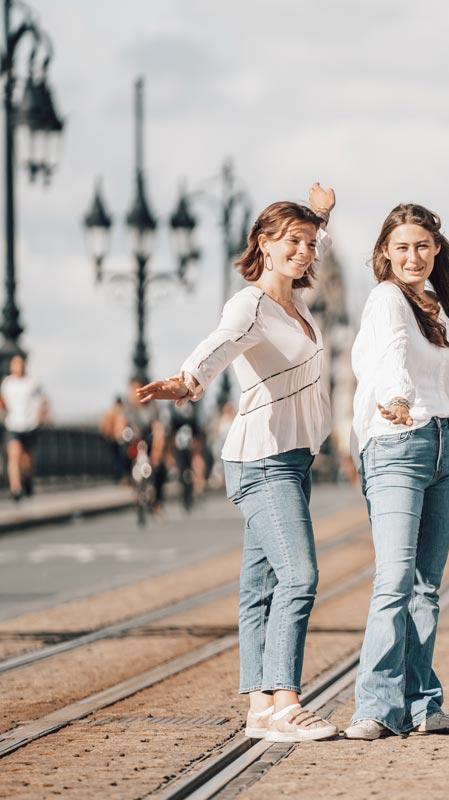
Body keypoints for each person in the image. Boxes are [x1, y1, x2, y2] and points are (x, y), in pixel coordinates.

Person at [136, 184, 339, 743]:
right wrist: (188, 379)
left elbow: (309, 241)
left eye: (311, 244)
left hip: (293, 459)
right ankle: (286, 701)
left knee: (261, 586)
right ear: (264, 245)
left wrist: (319, 215)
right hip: (263, 460)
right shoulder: (250, 303)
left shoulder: (296, 306)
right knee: (300, 576)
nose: (304, 252)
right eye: (292, 242)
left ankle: (258, 706)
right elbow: (220, 343)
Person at [342, 202, 449, 741]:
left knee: (426, 587)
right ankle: (374, 706)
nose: (413, 256)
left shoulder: (437, 306)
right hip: (397, 441)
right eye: (401, 247)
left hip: (443, 445)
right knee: (394, 578)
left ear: (436, 249)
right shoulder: (386, 299)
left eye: (421, 246)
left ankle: (421, 704)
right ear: (384, 254)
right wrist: (397, 398)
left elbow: (448, 388)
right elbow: (390, 354)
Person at [0, 354, 49, 500]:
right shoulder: (7, 383)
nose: (18, 367)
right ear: (11, 367)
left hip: (29, 425)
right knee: (14, 455)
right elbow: (2, 401)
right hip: (13, 424)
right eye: (15, 364)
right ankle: (16, 488)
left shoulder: (32, 383)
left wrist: (40, 416)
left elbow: (43, 401)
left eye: (20, 364)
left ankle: (27, 480)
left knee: (26, 459)